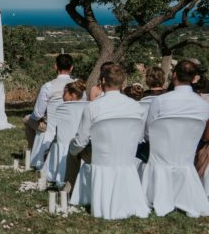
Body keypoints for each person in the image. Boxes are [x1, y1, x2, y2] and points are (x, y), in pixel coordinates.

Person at [62, 64, 145, 194]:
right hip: (127, 156)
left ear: (103, 81)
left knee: (74, 144)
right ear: (122, 83)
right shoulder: (137, 107)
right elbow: (139, 138)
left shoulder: (93, 107)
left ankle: (68, 189)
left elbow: (80, 142)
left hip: (100, 157)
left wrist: (72, 150)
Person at [23, 53, 74, 149]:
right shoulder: (79, 88)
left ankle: (34, 150)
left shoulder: (48, 86)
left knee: (27, 119)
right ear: (71, 68)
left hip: (52, 128)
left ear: (55, 66)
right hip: (74, 128)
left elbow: (38, 114)